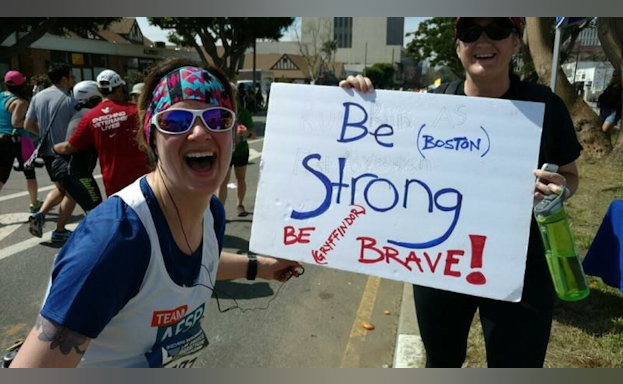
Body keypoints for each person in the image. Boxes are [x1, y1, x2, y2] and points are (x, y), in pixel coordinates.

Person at [11, 58, 302, 368]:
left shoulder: (211, 213)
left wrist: (260, 267)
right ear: (152, 137)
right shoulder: (114, 242)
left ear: (232, 136)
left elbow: (201, 262)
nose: (200, 133)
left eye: (218, 119)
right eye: (176, 121)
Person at [340, 17, 582, 368]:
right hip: (441, 265)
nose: (483, 40)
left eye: (497, 30)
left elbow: (571, 176)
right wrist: (357, 101)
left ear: (517, 43)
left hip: (520, 267)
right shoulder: (431, 105)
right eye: (470, 32)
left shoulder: (545, 106)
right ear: (458, 48)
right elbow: (377, 162)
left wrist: (560, 189)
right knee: (441, 360)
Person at [53, 69, 149, 198]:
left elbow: (69, 147)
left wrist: (53, 147)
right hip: (142, 177)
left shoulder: (90, 117)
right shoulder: (135, 112)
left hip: (113, 181)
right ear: (119, 89)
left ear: (99, 90)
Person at [25, 63, 77, 242]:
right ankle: (60, 229)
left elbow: (27, 124)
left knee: (60, 188)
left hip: (46, 152)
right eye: (71, 76)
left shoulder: (38, 97)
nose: (74, 79)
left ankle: (40, 215)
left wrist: (41, 133)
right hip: (65, 152)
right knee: (72, 191)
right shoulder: (70, 99)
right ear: (64, 78)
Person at [52, 81, 104, 213]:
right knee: (96, 210)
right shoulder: (87, 114)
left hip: (74, 170)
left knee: (87, 204)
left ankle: (58, 230)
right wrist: (55, 148)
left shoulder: (82, 112)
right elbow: (70, 146)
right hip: (74, 170)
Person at [0, 70, 42, 212]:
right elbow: (16, 122)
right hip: (19, 141)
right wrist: (34, 127)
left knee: (2, 175)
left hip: (1, 139)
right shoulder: (20, 102)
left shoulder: (1, 96)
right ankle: (34, 203)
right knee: (29, 172)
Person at [218, 86, 254, 217]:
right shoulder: (220, 112)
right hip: (225, 150)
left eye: (233, 93)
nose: (230, 96)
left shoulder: (243, 112)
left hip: (241, 151)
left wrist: (246, 133)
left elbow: (252, 133)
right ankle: (219, 210)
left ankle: (240, 205)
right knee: (223, 181)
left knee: (241, 178)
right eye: (227, 93)